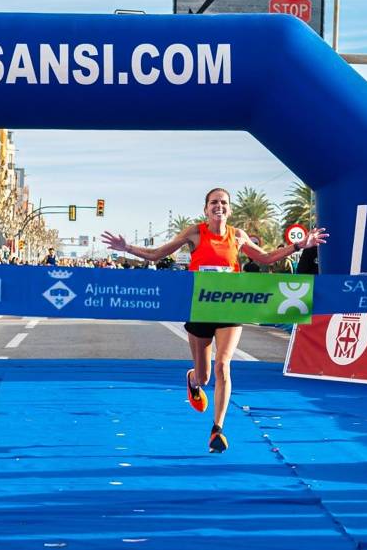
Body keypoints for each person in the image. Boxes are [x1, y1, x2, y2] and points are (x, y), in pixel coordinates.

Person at [102, 188, 328, 453]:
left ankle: (217, 430)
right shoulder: (195, 233)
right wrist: (126, 248)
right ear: (206, 209)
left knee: (223, 366)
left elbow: (266, 258)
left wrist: (300, 245)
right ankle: (192, 378)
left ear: (229, 210)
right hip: (200, 309)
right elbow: (157, 255)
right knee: (205, 376)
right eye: (214, 203)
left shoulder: (238, 236)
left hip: (231, 308)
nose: (219, 206)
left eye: (223, 203)